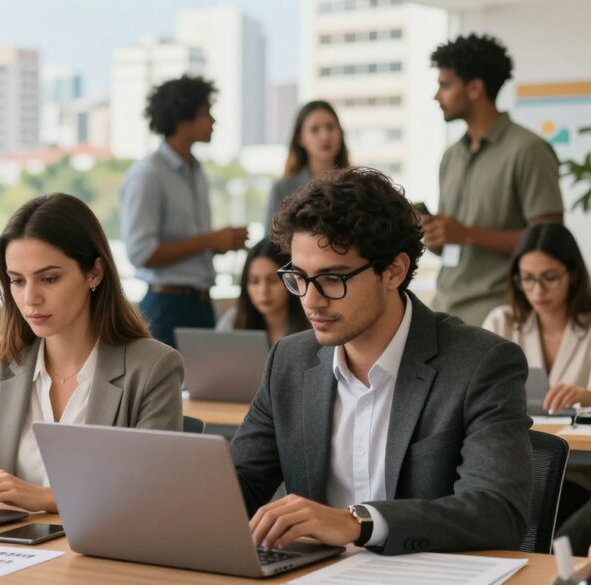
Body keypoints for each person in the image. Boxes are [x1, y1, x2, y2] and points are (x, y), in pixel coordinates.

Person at [231, 168, 531, 555]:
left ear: (393, 271)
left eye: (332, 279)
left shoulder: (481, 364)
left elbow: (496, 512)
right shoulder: (289, 361)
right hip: (316, 575)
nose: (310, 300)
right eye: (299, 277)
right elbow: (239, 483)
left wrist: (359, 523)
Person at [0, 194, 183, 513]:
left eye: (49, 279)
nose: (30, 298)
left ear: (94, 273)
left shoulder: (153, 368)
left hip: (100, 543)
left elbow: (151, 489)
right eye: (17, 281)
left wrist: (48, 497)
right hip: (1, 542)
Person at [424, 34, 564, 327]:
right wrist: (437, 236)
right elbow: (453, 245)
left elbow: (549, 240)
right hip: (444, 311)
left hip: (499, 316)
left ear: (475, 88)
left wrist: (467, 234)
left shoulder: (529, 150)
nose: (437, 96)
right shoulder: (451, 156)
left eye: (445, 85)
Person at [481, 223, 591, 553]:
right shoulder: (502, 321)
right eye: (527, 278)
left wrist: (587, 397)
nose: (538, 290)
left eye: (549, 277)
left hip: (581, 472)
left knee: (559, 541)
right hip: (517, 467)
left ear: (573, 274)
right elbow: (476, 393)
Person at [120, 75, 248, 348]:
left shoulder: (196, 171)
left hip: (201, 303)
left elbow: (189, 242)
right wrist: (209, 241)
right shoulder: (148, 175)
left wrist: (219, 244)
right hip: (167, 307)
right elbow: (141, 253)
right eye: (205, 113)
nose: (213, 120)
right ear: (182, 120)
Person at [263, 101, 350, 233]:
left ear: (340, 133)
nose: (325, 136)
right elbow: (271, 241)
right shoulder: (282, 189)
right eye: (314, 129)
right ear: (300, 138)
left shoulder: (356, 187)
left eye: (330, 127)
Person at [216, 239, 308, 343]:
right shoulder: (231, 323)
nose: (263, 291)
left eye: (273, 280)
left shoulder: (312, 324)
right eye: (254, 281)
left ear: (292, 280)